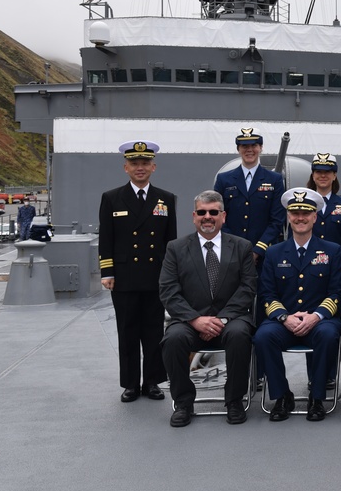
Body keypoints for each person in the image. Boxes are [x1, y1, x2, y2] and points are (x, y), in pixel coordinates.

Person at [159, 191, 256, 427]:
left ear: (223, 216)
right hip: (189, 321)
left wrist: (221, 319)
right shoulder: (176, 248)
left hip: (231, 319)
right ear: (194, 216)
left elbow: (248, 287)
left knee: (239, 335)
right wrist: (195, 320)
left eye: (213, 212)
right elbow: (168, 290)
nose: (208, 217)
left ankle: (234, 401)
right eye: (202, 212)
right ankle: (183, 403)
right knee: (172, 339)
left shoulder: (242, 247)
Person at [253, 188, 341, 422]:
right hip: (284, 322)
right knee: (263, 336)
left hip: (319, 322)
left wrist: (317, 316)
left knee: (328, 334)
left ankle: (317, 398)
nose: (300, 217)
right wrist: (285, 317)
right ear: (288, 216)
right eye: (295, 212)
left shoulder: (332, 251)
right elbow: (266, 293)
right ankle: (282, 395)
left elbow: (338, 291)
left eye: (306, 212)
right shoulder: (274, 253)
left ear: (315, 217)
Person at [98, 140, 177, 403]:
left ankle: (152, 381)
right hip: (124, 277)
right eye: (134, 164)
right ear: (125, 168)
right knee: (128, 330)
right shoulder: (111, 198)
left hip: (155, 276)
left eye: (145, 163)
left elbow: (170, 241)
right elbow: (106, 239)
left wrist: (171, 275)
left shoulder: (165, 199)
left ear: (153, 167)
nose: (140, 168)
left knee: (155, 331)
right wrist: (106, 272)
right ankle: (130, 383)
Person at [308, 152, 341, 390]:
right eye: (318, 171)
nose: (323, 175)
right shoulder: (304, 204)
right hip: (307, 274)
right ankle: (313, 375)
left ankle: (328, 374)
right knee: (309, 321)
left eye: (327, 171)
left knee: (331, 324)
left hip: (335, 275)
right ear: (313, 174)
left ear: (334, 175)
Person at [213, 127, 285, 262]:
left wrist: (257, 251)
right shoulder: (224, 180)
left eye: (254, 145)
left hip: (264, 256)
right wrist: (235, 248)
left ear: (261, 147)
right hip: (231, 255)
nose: (249, 149)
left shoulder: (274, 180)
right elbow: (218, 216)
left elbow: (277, 220)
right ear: (238, 149)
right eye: (244, 146)